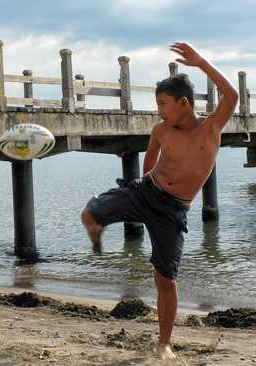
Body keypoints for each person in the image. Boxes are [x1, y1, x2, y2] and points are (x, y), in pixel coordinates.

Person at [80, 42, 238, 360]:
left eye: (163, 104)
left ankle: (164, 343)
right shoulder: (161, 130)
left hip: (173, 210)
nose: (159, 110)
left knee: (165, 278)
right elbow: (150, 163)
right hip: (146, 192)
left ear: (184, 103)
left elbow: (232, 96)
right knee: (89, 214)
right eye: (157, 104)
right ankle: (97, 232)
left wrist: (201, 62)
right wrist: (142, 190)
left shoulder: (210, 128)